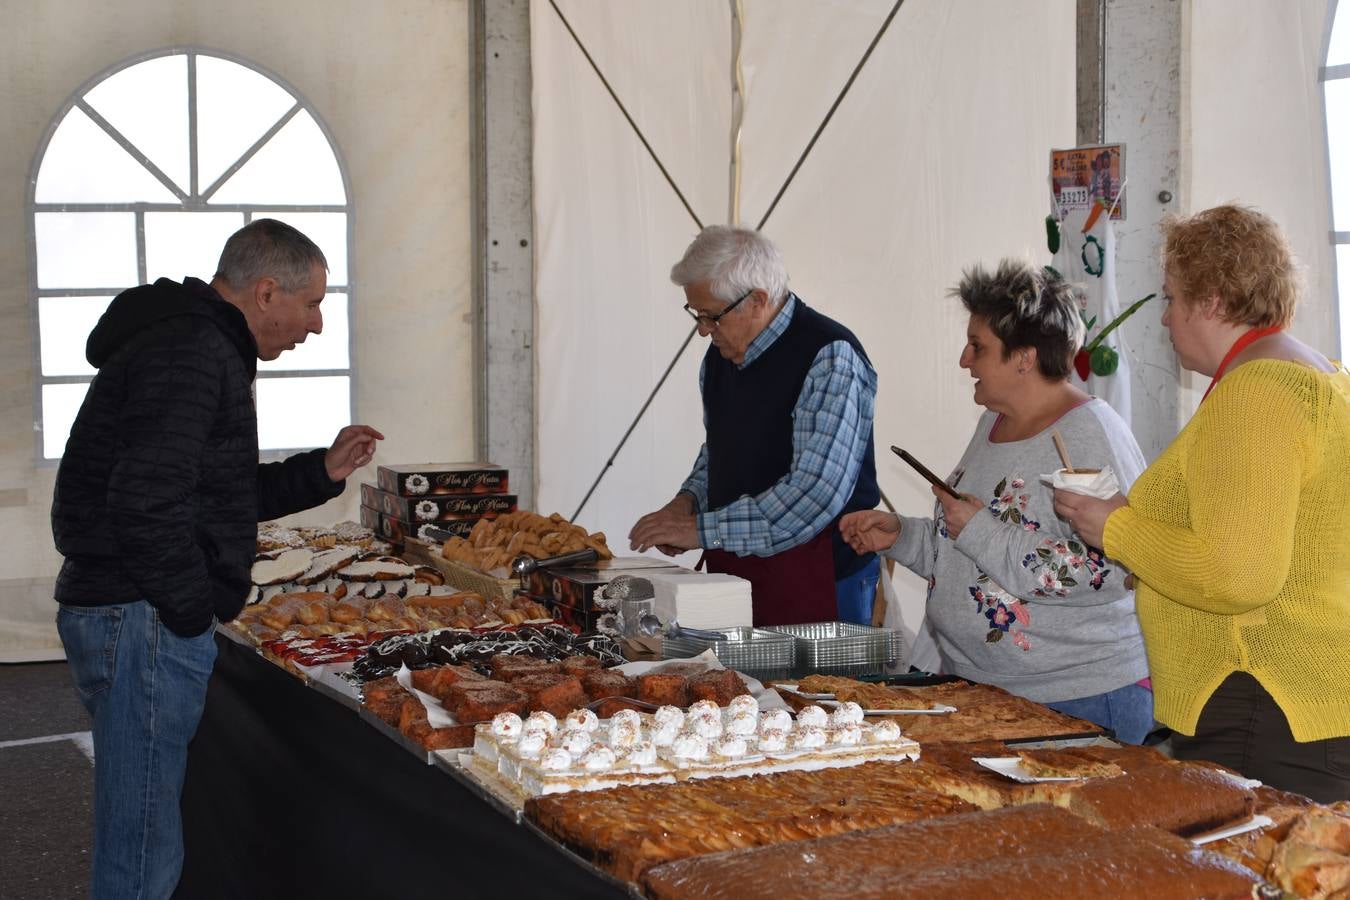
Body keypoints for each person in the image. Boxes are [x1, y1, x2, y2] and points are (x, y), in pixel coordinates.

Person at [51, 218, 384, 898]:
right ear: (267, 292)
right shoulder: (193, 351)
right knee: (140, 842)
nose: (316, 325)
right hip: (140, 614)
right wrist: (189, 610)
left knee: (143, 826)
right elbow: (146, 501)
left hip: (133, 609)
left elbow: (214, 495)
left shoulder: (197, 343)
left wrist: (319, 471)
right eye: (312, 303)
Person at [1055, 204, 1350, 800]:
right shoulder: (1322, 377)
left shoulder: (1258, 392)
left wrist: (1117, 529)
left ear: (1212, 301)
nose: (1164, 318)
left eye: (1170, 298)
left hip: (1262, 703)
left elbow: (1238, 572)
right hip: (1292, 700)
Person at [841, 260, 1154, 743]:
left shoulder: (1088, 432)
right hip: (991, 691)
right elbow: (975, 552)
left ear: (1024, 358)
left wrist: (978, 528)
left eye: (978, 347)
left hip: (1078, 699)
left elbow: (1110, 568)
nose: (965, 361)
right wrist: (905, 537)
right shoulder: (993, 423)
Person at [628, 225, 880, 626]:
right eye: (697, 314)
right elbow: (721, 449)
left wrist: (699, 530)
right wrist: (688, 501)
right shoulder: (719, 358)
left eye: (711, 316)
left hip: (817, 578)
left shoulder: (829, 355)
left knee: (813, 691)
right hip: (738, 569)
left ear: (758, 300)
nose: (703, 330)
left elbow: (814, 495)